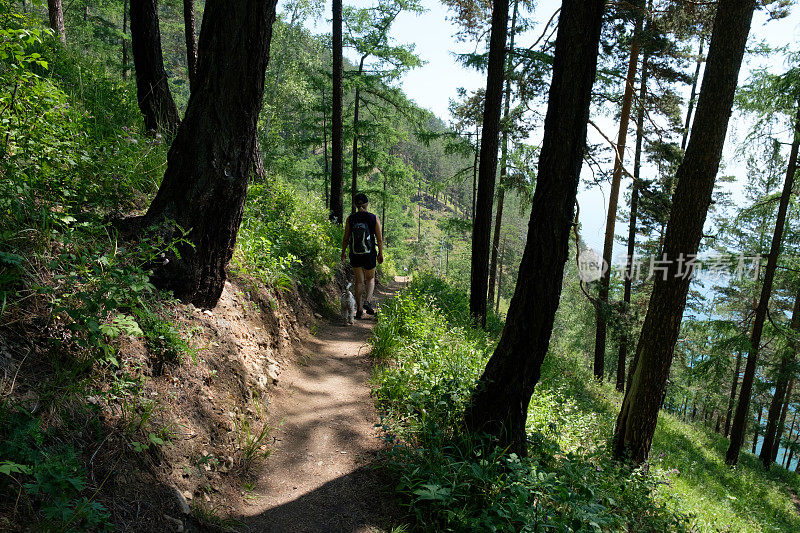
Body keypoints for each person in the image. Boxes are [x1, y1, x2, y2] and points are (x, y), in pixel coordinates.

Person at [341, 193, 384, 319]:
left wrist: (343, 252)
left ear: (355, 205)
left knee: (359, 281)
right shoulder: (373, 217)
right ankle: (368, 301)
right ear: (366, 204)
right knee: (370, 279)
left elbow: (346, 238)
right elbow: (379, 239)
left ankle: (359, 309)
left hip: (355, 253)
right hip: (369, 253)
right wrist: (380, 253)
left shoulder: (350, 218)